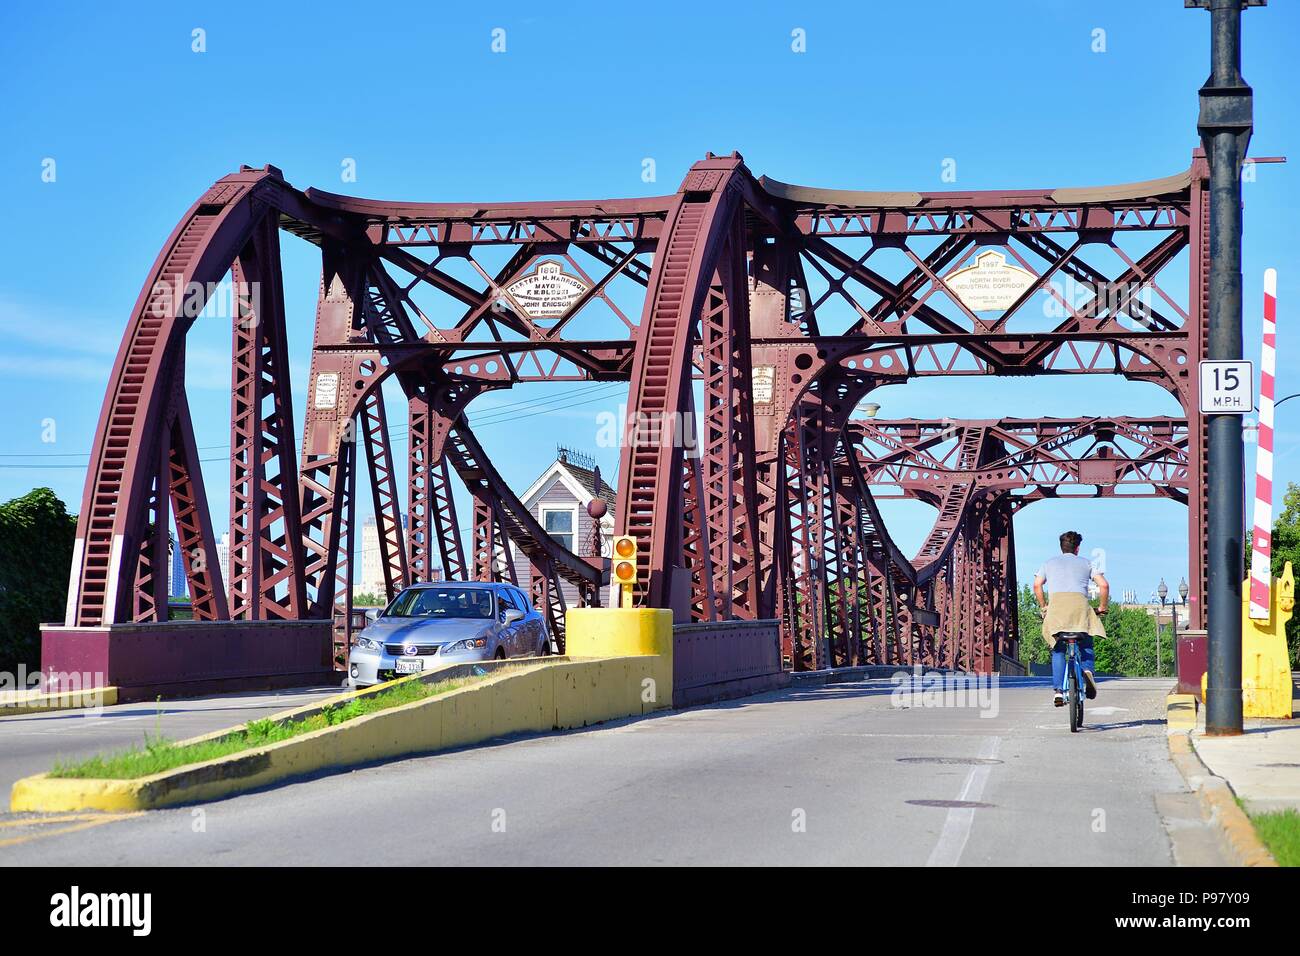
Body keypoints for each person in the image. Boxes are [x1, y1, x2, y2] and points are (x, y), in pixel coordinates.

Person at [1033, 530, 1108, 707]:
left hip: (1057, 611)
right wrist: (1102, 607)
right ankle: (1087, 670)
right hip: (1080, 610)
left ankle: (1058, 691)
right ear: (1077, 548)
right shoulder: (1087, 563)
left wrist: (1044, 606)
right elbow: (1104, 585)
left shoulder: (1048, 563)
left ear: (1061, 547)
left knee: (1058, 648)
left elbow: (1037, 585)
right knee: (1086, 642)